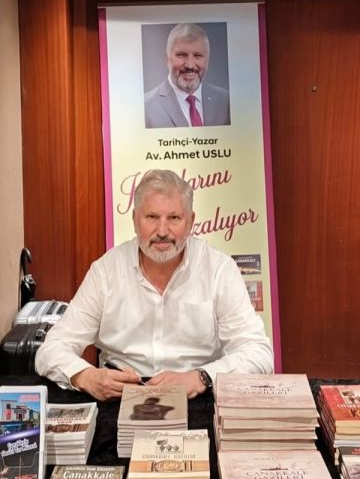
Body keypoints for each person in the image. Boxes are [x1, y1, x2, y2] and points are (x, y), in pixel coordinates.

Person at [35, 169, 272, 400]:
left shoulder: (219, 269)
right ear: (134, 220)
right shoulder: (106, 271)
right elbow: (52, 348)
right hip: (119, 399)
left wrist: (200, 378)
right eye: (152, 217)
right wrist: (86, 376)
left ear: (191, 222)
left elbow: (258, 353)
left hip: (197, 399)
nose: (162, 231)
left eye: (174, 218)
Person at [144, 23, 231, 128]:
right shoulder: (145, 107)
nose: (190, 65)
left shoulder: (226, 101)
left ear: (207, 59)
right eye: (181, 55)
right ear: (167, 59)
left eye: (198, 56)